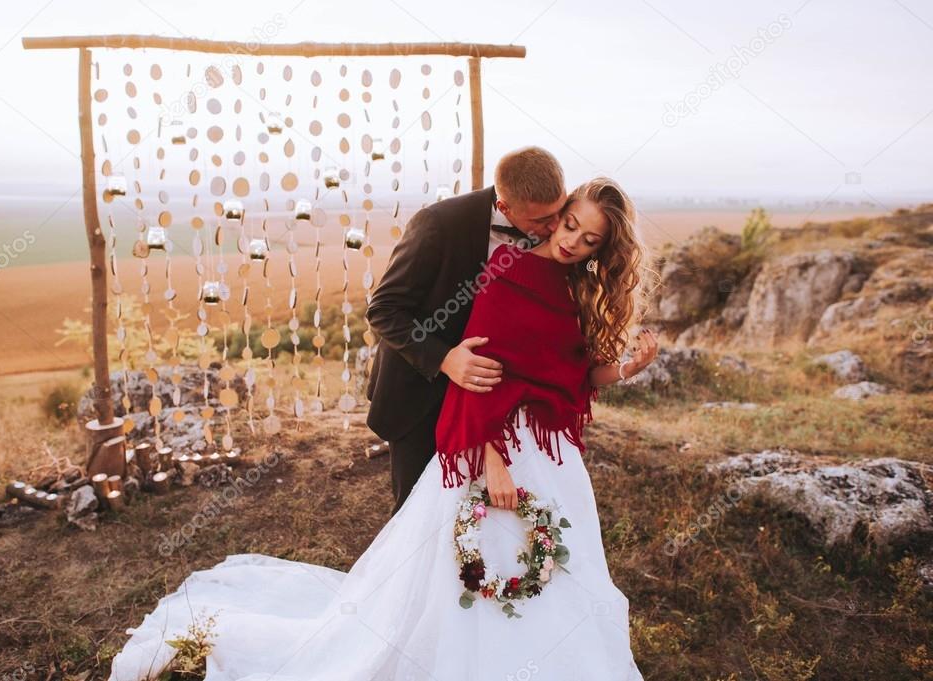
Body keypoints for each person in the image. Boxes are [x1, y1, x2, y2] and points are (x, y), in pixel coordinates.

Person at [108, 176, 657, 681]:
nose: (572, 243)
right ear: (556, 213)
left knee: (556, 566)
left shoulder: (573, 290)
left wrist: (626, 369)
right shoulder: (505, 272)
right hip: (495, 448)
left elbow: (572, 380)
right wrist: (492, 462)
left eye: (589, 241)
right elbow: (476, 377)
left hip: (549, 450)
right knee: (462, 564)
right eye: (569, 226)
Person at [366, 146, 569, 516]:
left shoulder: (557, 230)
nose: (556, 228)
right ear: (506, 208)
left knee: (489, 518)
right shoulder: (438, 225)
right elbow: (384, 309)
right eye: (543, 220)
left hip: (496, 402)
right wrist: (444, 359)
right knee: (420, 516)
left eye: (560, 212)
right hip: (422, 397)